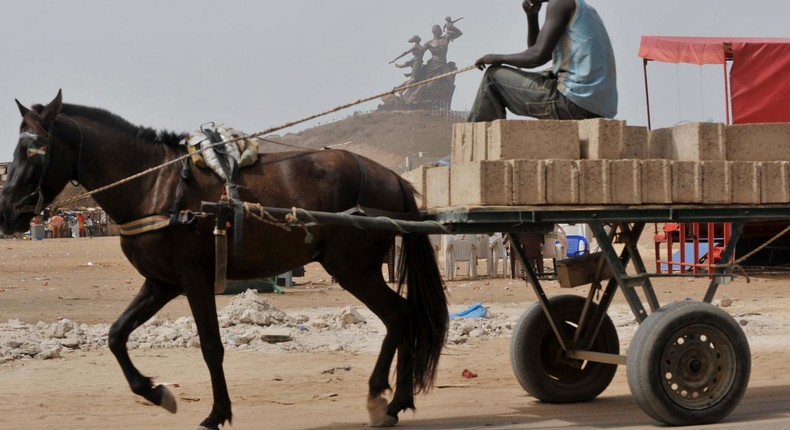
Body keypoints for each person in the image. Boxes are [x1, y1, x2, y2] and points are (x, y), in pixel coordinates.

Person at [468, 0, 617, 122]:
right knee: (546, 74)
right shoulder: (584, 9)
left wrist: (496, 58)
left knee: (493, 78)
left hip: (572, 104)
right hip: (598, 109)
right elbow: (539, 51)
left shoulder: (559, 3)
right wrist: (532, 16)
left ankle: (471, 149)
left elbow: (536, 56)